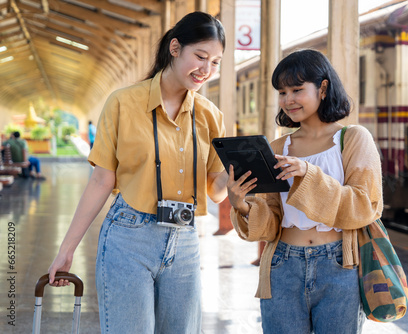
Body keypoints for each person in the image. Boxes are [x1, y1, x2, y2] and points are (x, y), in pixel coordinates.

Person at [48, 12, 228, 333]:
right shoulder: (122, 103)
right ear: (175, 48)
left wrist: (238, 174)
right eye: (200, 57)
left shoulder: (211, 116)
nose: (206, 69)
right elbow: (102, 180)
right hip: (129, 236)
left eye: (215, 62)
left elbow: (216, 190)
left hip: (185, 240)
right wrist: (67, 249)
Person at [227, 49, 383, 333]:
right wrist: (242, 206)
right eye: (282, 92)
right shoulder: (276, 149)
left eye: (297, 89)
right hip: (282, 265)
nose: (288, 100)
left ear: (323, 88)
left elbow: (364, 206)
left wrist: (308, 175)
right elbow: (272, 220)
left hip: (339, 265)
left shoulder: (354, 139)